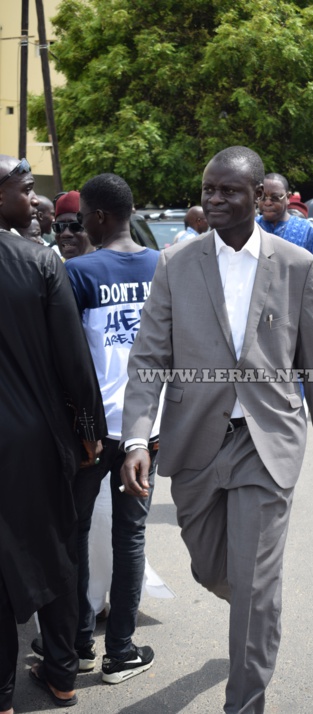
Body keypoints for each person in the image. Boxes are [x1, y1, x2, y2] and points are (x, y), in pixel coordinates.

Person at [120, 146, 313, 714]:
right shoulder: (176, 262)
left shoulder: (297, 265)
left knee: (252, 580)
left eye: (230, 191)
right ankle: (256, 606)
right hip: (197, 438)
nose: (216, 200)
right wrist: (135, 437)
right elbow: (149, 357)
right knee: (212, 566)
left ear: (259, 197)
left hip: (266, 441)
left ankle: (244, 700)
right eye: (209, 191)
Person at [0, 155, 106, 713]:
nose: (34, 199)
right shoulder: (40, 263)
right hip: (39, 440)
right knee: (59, 552)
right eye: (24, 189)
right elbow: (75, 367)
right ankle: (63, 674)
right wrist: (90, 432)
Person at [57, 173, 160, 684]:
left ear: (97, 218)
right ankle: (119, 651)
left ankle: (77, 645)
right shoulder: (163, 266)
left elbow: (69, 361)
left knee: (74, 534)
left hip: (91, 432)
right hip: (145, 428)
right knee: (131, 538)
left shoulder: (78, 273)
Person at [256, 173, 313, 346]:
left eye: (275, 197)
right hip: (254, 324)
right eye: (262, 197)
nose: (267, 202)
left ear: (288, 198)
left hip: (296, 325)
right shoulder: (249, 230)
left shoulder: (308, 232)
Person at [52, 191, 95, 260]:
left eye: (75, 226)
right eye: (59, 227)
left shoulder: (108, 266)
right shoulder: (54, 268)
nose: (65, 234)